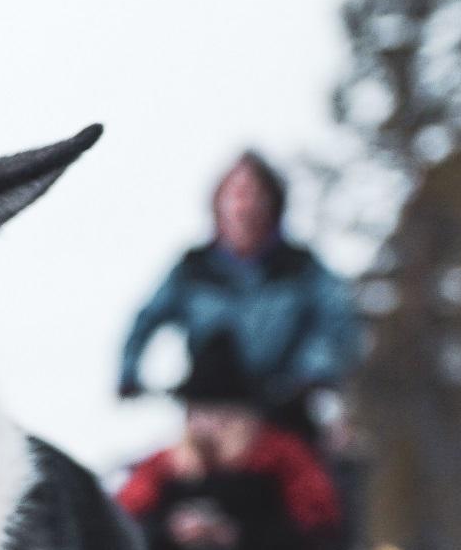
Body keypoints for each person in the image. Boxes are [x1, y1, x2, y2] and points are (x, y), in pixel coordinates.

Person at [117, 150, 362, 447]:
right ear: (218, 205)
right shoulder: (193, 268)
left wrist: (313, 372)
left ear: (274, 204)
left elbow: (337, 323)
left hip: (282, 412)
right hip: (208, 415)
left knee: (314, 483)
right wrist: (129, 372)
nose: (244, 206)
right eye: (235, 195)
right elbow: (146, 318)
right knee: (150, 487)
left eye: (255, 195)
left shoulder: (301, 268)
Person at [118, 332, 342, 550]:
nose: (210, 428)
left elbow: (318, 528)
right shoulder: (166, 466)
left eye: (224, 417)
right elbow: (123, 521)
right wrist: (169, 532)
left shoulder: (282, 459)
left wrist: (237, 534)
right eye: (200, 415)